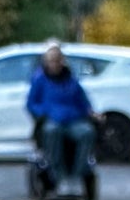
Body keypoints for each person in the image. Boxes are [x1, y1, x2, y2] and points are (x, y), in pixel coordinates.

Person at [25, 43, 95, 189]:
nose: (55, 64)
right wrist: (42, 113)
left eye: (58, 60)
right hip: (52, 120)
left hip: (72, 121)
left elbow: (82, 102)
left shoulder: (71, 80)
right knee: (52, 131)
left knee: (87, 132)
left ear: (62, 61)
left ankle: (77, 175)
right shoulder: (40, 80)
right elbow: (31, 103)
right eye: (51, 60)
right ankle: (59, 176)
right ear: (46, 62)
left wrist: (90, 112)